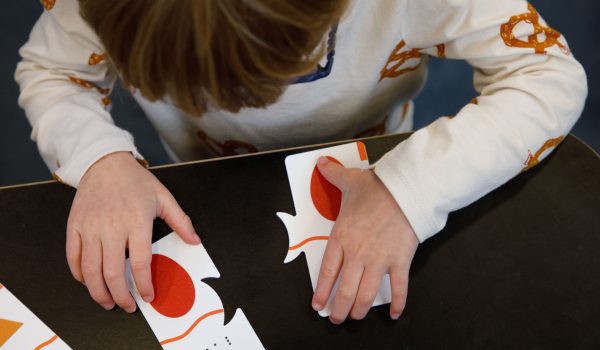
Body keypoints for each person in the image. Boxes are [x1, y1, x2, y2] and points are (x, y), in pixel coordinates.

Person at [16, 0, 586, 324]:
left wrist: (409, 190)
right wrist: (100, 159)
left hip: (375, 163)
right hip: (208, 179)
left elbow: (549, 76)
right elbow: (51, 71)